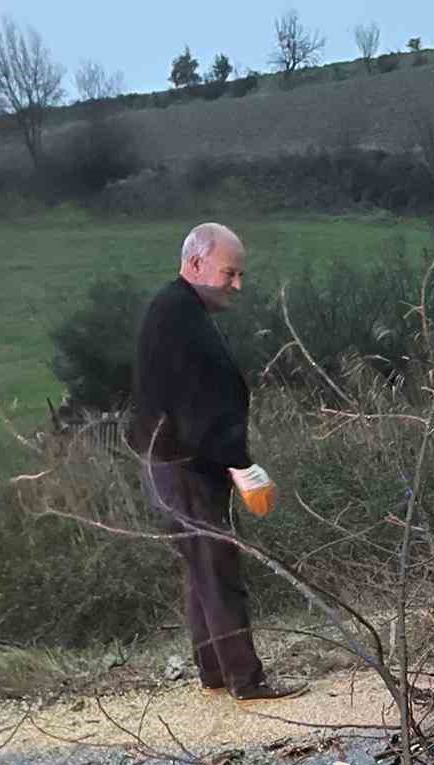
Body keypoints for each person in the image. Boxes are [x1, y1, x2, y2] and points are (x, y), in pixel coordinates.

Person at [131, 222, 300, 702]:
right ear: (196, 262)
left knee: (202, 566)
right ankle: (247, 681)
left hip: (173, 458)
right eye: (231, 273)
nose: (237, 285)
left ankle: (213, 671)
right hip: (184, 462)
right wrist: (240, 464)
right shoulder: (177, 317)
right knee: (218, 568)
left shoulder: (178, 309)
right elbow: (200, 407)